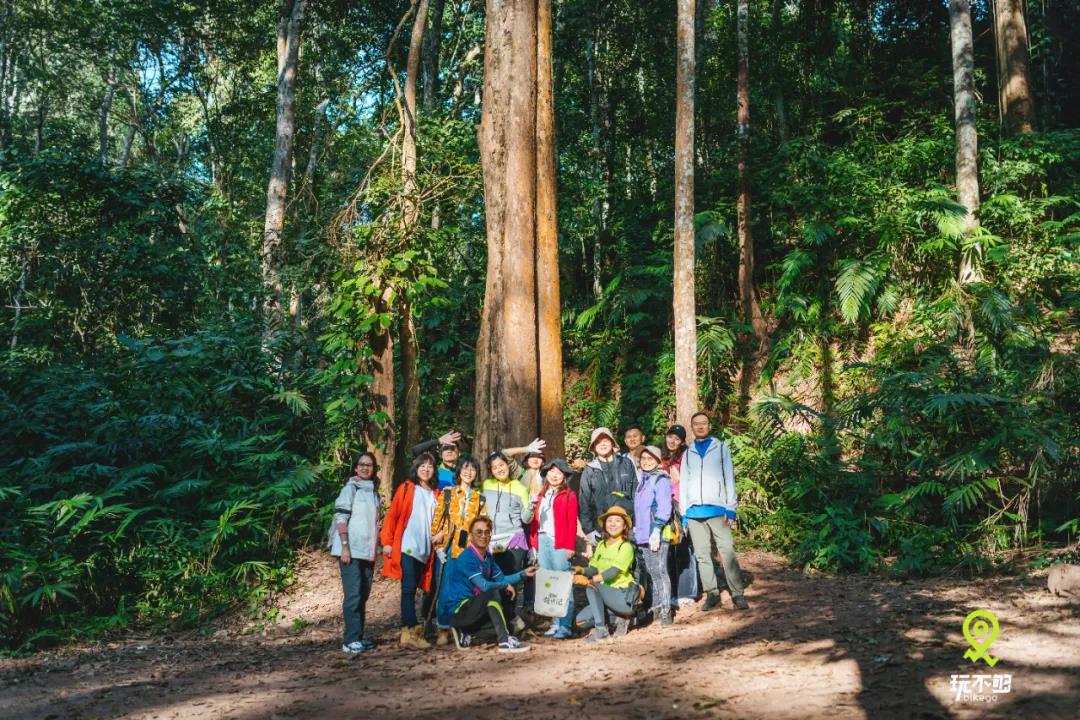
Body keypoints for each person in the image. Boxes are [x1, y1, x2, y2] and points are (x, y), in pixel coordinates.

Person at [680, 412, 749, 611]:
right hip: (694, 512)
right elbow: (684, 482)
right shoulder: (688, 453)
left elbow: (729, 477)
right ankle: (712, 593)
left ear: (709, 426)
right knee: (703, 555)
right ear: (692, 427)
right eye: (696, 424)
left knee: (727, 551)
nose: (700, 427)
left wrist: (731, 507)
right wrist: (684, 513)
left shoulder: (720, 449)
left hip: (718, 509)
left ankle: (737, 593)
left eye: (704, 423)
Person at [438, 516, 536, 653]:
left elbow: (502, 579)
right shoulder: (466, 558)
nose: (483, 536)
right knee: (491, 591)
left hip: (476, 610)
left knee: (508, 624)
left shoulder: (488, 557)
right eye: (479, 532)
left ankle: (468, 634)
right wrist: (502, 585)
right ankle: (504, 641)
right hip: (459, 611)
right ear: (471, 536)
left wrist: (523, 574)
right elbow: (484, 586)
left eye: (487, 532)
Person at [380, 453, 444, 648]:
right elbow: (392, 515)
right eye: (422, 465)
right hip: (408, 545)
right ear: (416, 468)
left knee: (421, 588)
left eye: (430, 466)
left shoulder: (436, 493)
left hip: (426, 550)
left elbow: (440, 519)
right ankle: (409, 630)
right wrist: (387, 541)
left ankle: (415, 629)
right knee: (408, 588)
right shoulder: (407, 488)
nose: (426, 469)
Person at [481, 445, 540, 634]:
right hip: (492, 540)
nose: (499, 468)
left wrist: (530, 506)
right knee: (495, 581)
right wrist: (527, 448)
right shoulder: (486, 486)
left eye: (502, 464)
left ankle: (511, 621)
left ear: (508, 465)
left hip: (514, 539)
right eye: (495, 466)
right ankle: (505, 620)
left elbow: (525, 519)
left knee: (511, 582)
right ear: (490, 470)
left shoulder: (519, 487)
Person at [427, 456, 486, 646]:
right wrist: (438, 547)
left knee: (466, 589)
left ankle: (463, 627)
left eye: (473, 469)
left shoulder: (479, 498)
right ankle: (443, 627)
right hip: (449, 547)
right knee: (445, 589)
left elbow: (483, 525)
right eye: (466, 468)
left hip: (469, 550)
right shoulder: (448, 494)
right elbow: (437, 522)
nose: (469, 473)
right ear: (459, 471)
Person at [329, 452, 381, 654]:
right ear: (355, 467)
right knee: (353, 595)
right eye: (362, 464)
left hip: (367, 552)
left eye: (369, 465)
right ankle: (349, 640)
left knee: (363, 594)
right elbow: (341, 517)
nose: (366, 468)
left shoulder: (373, 492)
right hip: (349, 550)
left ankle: (358, 636)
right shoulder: (350, 489)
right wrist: (344, 545)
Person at [573, 506, 641, 642]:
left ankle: (601, 632)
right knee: (580, 622)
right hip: (605, 595)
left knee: (593, 585)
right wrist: (580, 570)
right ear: (605, 524)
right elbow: (593, 569)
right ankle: (619, 619)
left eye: (617, 521)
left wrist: (588, 580)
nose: (613, 524)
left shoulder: (626, 546)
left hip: (623, 596)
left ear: (624, 526)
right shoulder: (601, 545)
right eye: (610, 521)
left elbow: (613, 572)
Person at [527, 458, 578, 639]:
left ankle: (565, 625)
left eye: (559, 472)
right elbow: (534, 522)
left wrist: (570, 546)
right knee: (548, 584)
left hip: (560, 543)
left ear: (564, 476)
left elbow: (572, 523)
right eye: (551, 471)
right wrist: (533, 545)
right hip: (542, 541)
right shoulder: (541, 495)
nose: (554, 475)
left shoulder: (569, 496)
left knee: (563, 584)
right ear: (546, 474)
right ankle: (555, 623)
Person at [634, 445, 673, 625]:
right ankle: (657, 608)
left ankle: (666, 610)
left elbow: (665, 507)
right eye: (643, 459)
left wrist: (657, 528)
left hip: (656, 533)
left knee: (660, 571)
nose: (646, 462)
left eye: (650, 459)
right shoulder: (642, 480)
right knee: (651, 572)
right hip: (642, 533)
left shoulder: (661, 479)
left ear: (657, 461)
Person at [578, 427, 637, 546]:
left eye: (605, 440)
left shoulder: (626, 463)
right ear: (594, 447)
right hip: (600, 528)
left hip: (626, 525)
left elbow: (636, 494)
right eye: (598, 442)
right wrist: (588, 530)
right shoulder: (589, 470)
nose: (602, 444)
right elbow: (584, 502)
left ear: (612, 442)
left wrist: (636, 523)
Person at [663, 424, 699, 607]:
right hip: (663, 506)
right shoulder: (661, 458)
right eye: (670, 437)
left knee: (684, 547)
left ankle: (687, 592)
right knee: (668, 549)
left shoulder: (686, 458)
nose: (672, 441)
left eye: (676, 439)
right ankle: (671, 591)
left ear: (682, 442)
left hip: (681, 505)